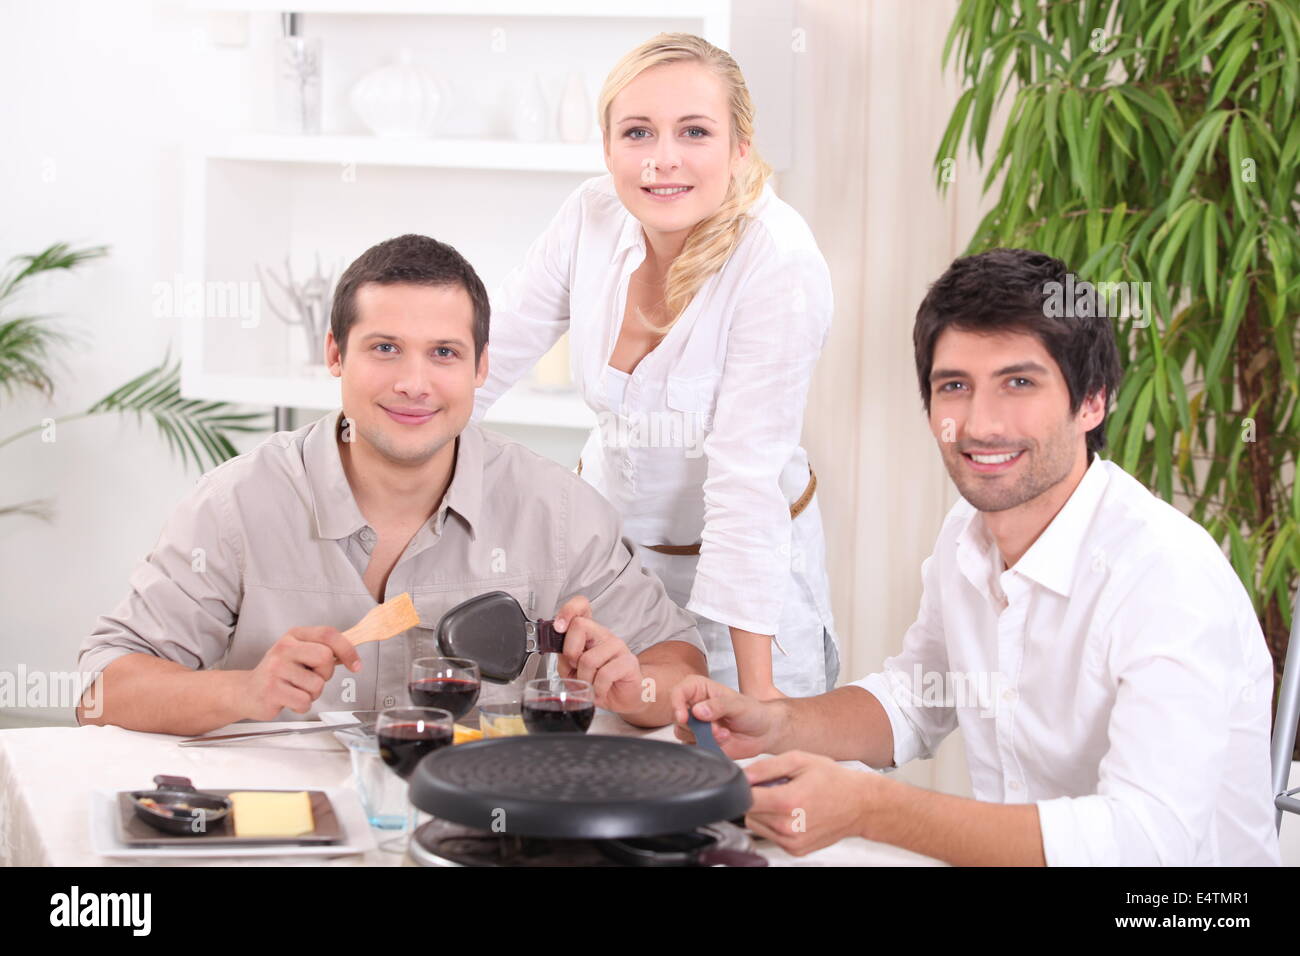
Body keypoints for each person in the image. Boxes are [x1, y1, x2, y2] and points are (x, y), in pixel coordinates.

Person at [671, 248, 1282, 866]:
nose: (981, 424)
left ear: (1092, 401)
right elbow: (918, 697)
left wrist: (872, 808)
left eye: (1019, 383)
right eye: (955, 387)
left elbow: (1147, 843)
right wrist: (777, 722)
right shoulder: (968, 532)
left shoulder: (1166, 575)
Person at [75, 234, 707, 736]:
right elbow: (101, 688)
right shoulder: (235, 506)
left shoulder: (561, 513)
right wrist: (242, 690)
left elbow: (679, 665)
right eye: (384, 348)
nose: (414, 383)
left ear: (482, 367)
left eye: (444, 353)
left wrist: (634, 689)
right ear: (334, 355)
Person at [472, 32, 840, 699]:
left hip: (745, 596)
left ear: (739, 147)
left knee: (744, 780)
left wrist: (758, 706)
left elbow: (744, 481)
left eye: (694, 132)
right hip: (614, 577)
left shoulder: (778, 262)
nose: (662, 160)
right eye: (638, 133)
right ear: (608, 148)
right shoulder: (591, 215)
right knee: (609, 759)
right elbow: (484, 362)